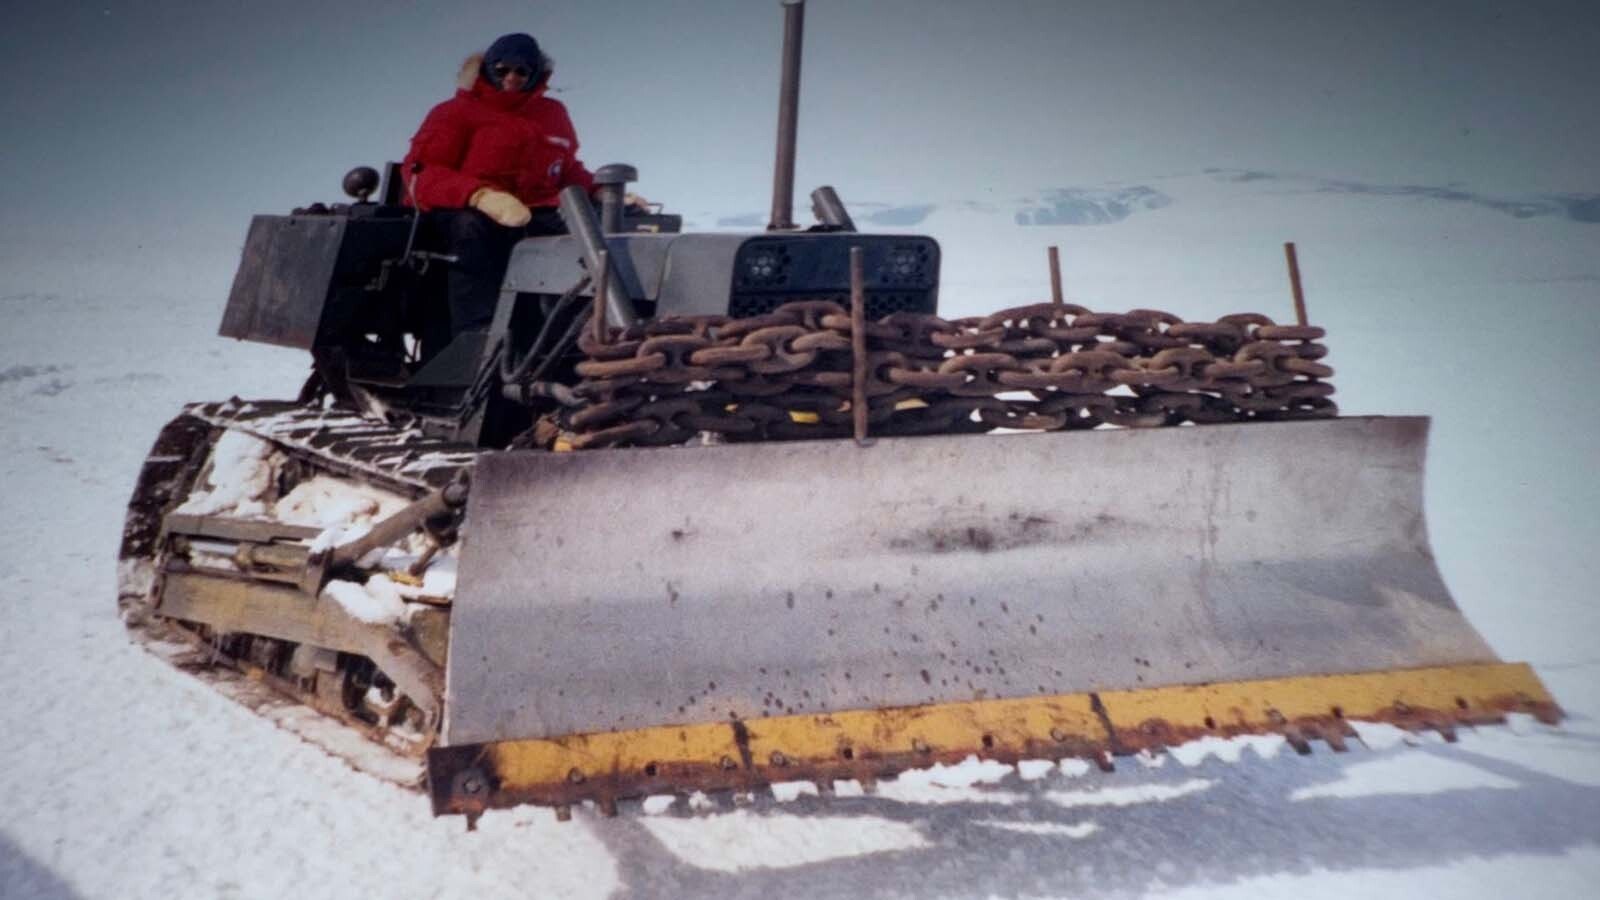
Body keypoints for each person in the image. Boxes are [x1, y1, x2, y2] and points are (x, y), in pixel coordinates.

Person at [402, 33, 599, 337]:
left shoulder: (552, 114)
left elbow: (567, 168)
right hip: (461, 211)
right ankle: (476, 336)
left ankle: (576, 330)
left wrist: (600, 190)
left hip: (534, 211)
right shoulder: (455, 112)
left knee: (592, 230)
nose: (512, 77)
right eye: (503, 69)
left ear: (535, 74)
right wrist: (479, 195)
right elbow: (423, 172)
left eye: (522, 71)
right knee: (472, 228)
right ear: (487, 69)